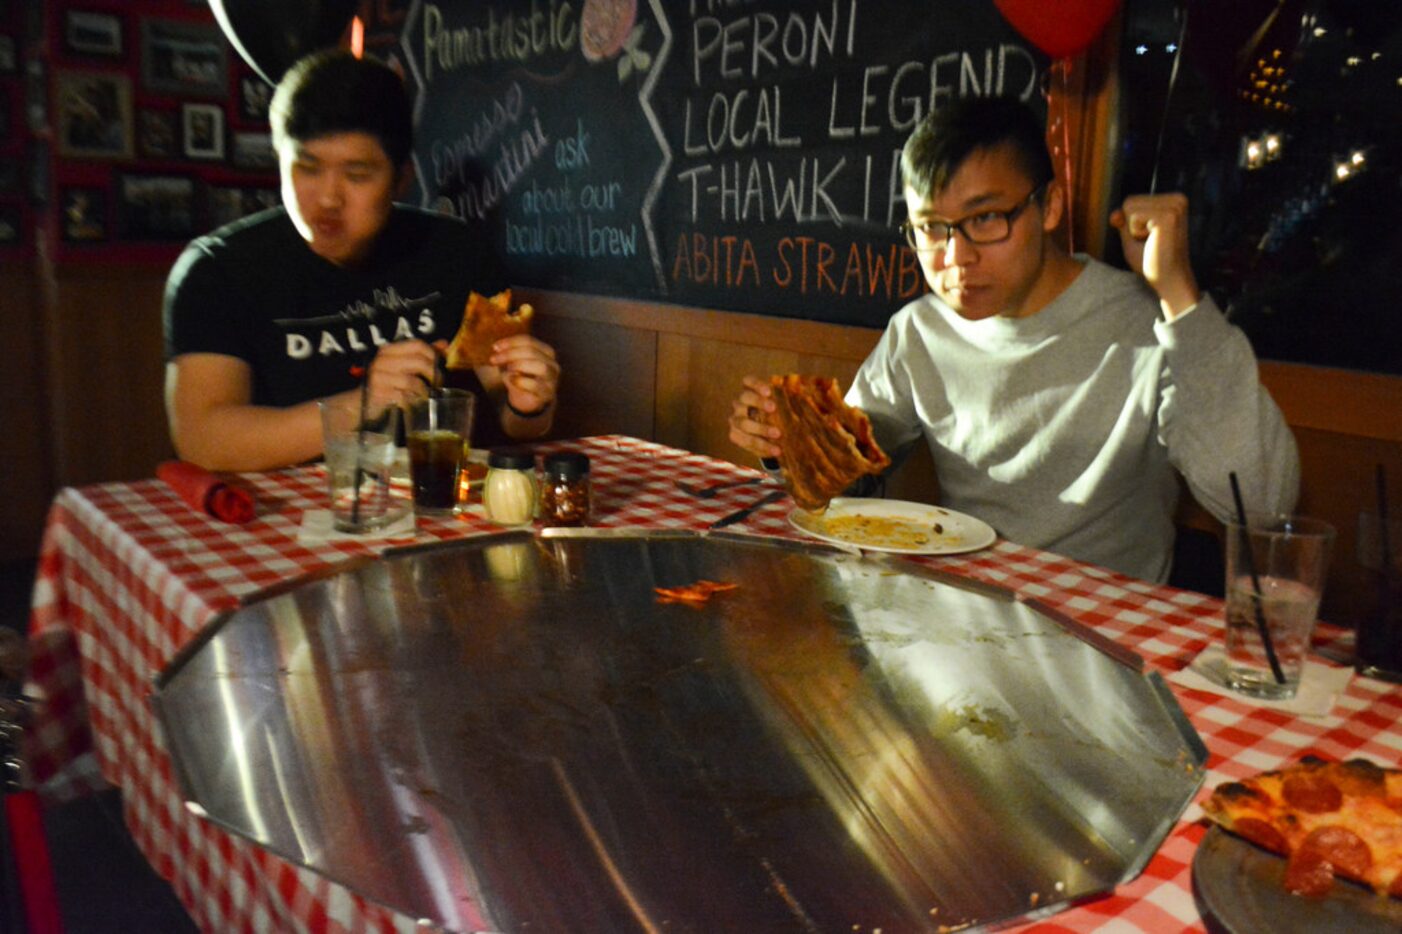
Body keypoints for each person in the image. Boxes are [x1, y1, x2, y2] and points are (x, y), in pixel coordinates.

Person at [728, 96, 1299, 583]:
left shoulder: (1148, 323)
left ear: (1048, 206)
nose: (955, 258)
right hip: (962, 613)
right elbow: (848, 469)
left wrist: (1178, 293)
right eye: (931, 228)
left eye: (985, 219)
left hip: (1105, 632)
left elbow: (1264, 506)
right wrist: (788, 445)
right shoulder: (920, 331)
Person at [163, 50, 560, 471]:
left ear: (401, 179)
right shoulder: (217, 270)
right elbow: (203, 438)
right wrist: (363, 403)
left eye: (357, 174)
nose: (329, 199)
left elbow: (516, 418)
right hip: (271, 515)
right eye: (307, 167)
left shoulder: (455, 252)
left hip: (429, 502)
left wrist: (530, 403)